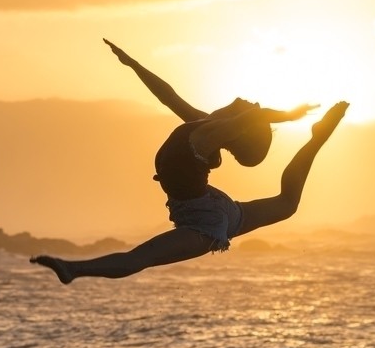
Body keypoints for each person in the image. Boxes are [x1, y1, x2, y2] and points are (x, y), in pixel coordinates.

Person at [30, 40, 350, 284]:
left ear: (243, 128)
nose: (251, 100)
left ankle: (72, 269)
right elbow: (167, 95)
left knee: (137, 259)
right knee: (287, 203)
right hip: (213, 206)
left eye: (251, 106)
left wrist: (289, 115)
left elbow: (252, 115)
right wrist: (133, 64)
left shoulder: (207, 138)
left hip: (204, 222)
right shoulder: (202, 126)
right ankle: (318, 138)